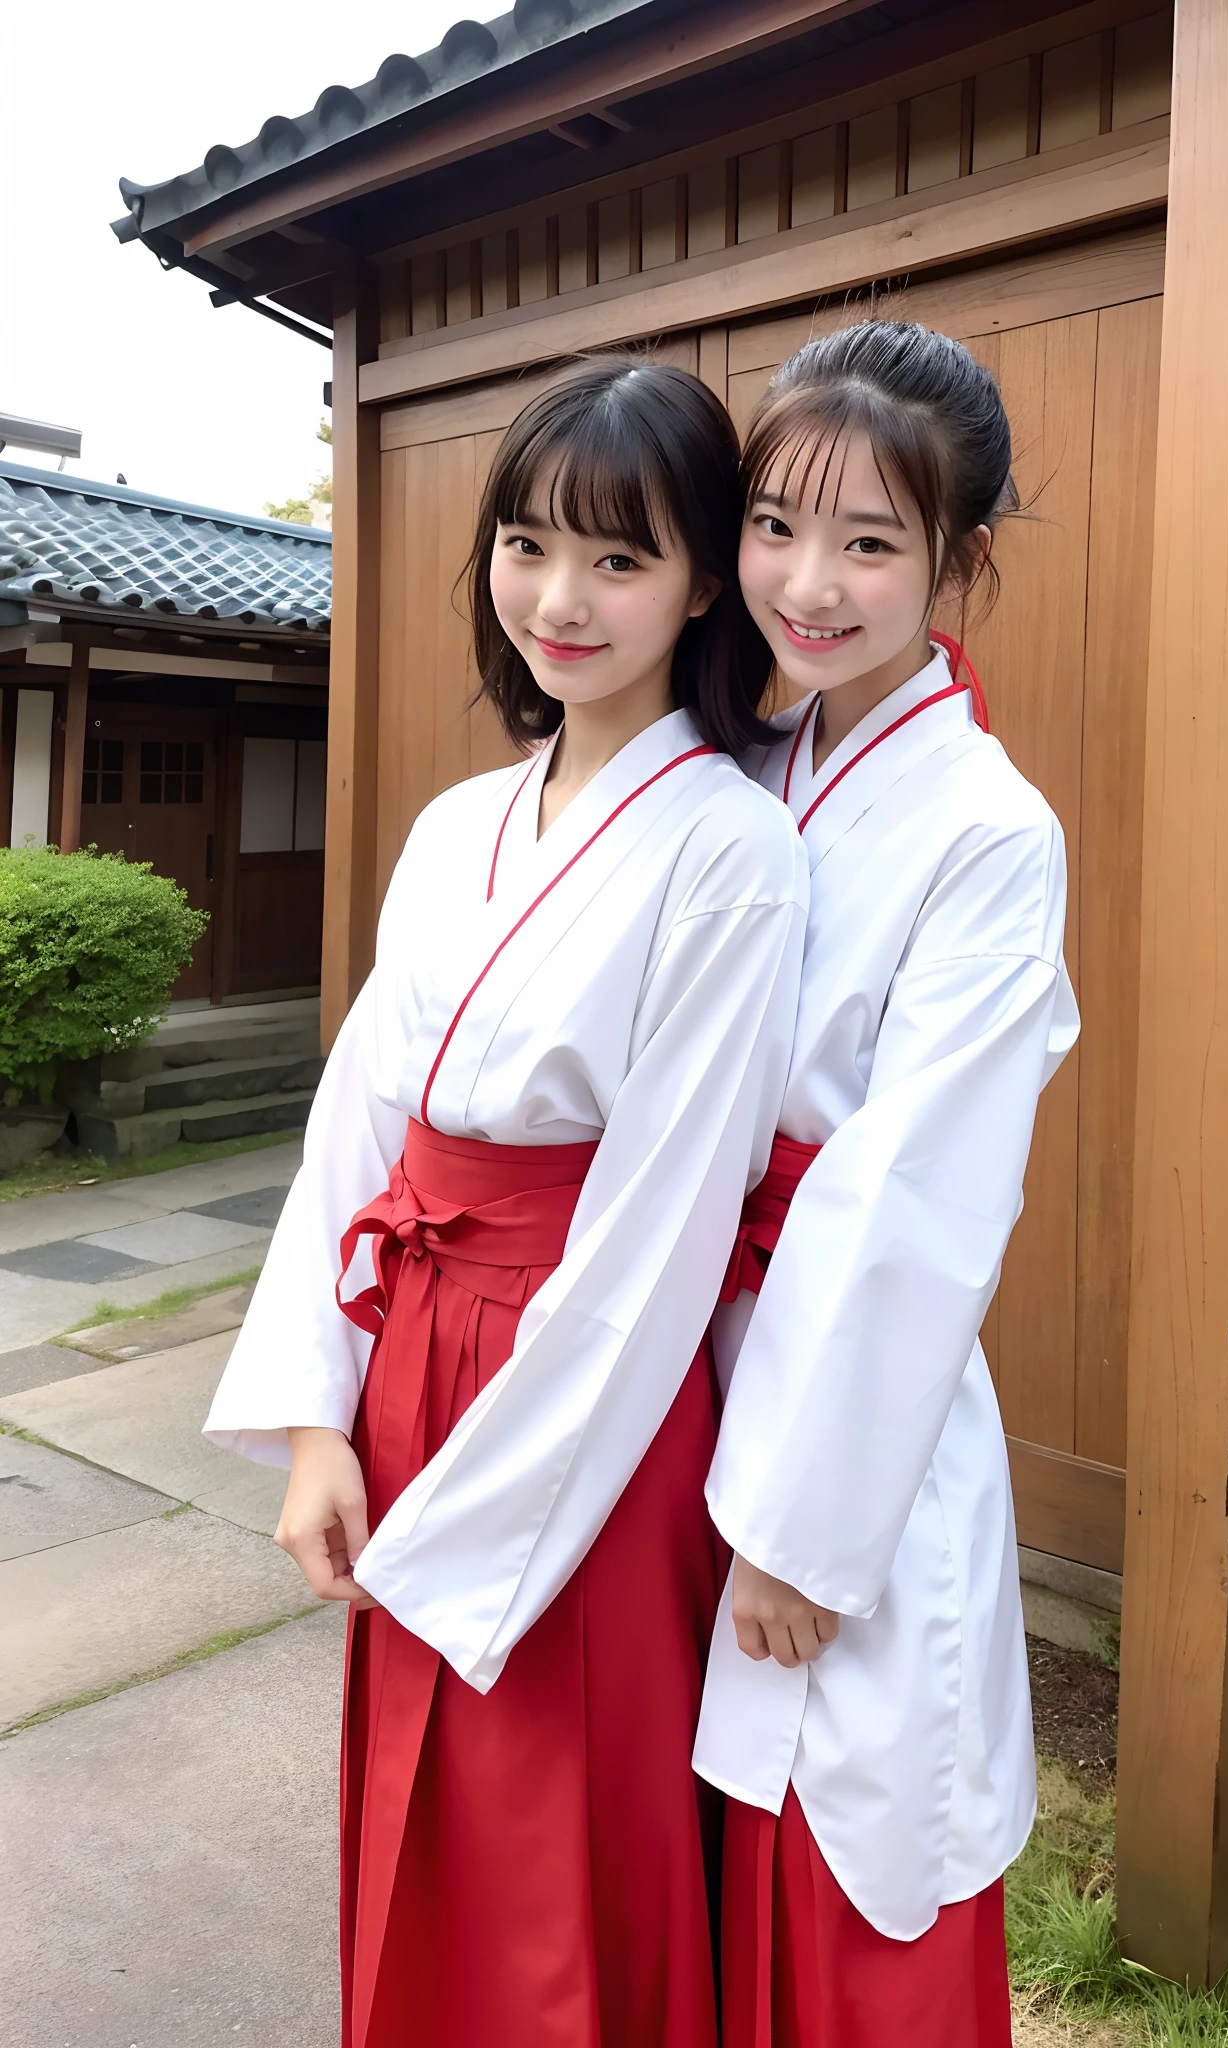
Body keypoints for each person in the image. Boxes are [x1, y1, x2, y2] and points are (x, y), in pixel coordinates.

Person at [204, 359, 808, 2048]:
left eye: (621, 560)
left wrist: (475, 1524)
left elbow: (664, 1232)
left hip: (582, 1409)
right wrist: (320, 1418)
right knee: (420, 1815)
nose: (562, 599)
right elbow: (360, 1130)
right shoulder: (462, 820)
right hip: (414, 1349)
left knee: (562, 1835)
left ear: (703, 583)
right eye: (530, 544)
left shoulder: (730, 850)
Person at [692, 321, 1080, 2047]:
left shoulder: (989, 827)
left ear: (956, 557)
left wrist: (800, 1532)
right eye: (778, 524)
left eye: (871, 541)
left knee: (845, 1831)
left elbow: (917, 1198)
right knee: (697, 1841)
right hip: (688, 1355)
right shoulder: (753, 765)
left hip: (846, 1403)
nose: (810, 582)